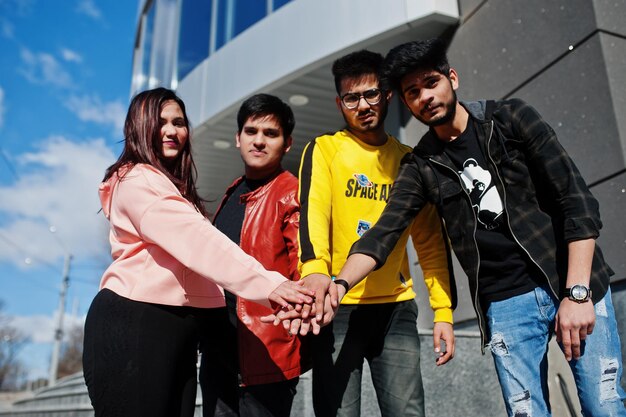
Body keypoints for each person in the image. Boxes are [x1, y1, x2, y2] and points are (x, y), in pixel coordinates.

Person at [335, 39, 626, 416]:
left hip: (570, 279)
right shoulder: (421, 164)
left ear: (451, 78)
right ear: (405, 103)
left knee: (603, 408)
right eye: (413, 92)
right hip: (505, 303)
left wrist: (578, 292)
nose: (425, 96)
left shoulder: (511, 119)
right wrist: (338, 284)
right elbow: (384, 232)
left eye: (431, 82)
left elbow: (577, 202)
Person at [82, 87, 313, 417]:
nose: (172, 131)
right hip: (136, 322)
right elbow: (198, 241)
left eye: (179, 122)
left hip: (180, 331)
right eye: (160, 122)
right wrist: (270, 285)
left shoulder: (174, 188)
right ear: (138, 126)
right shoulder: (137, 179)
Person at [297, 50, 455, 417]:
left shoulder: (410, 161)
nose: (363, 105)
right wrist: (315, 272)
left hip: (395, 310)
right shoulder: (324, 149)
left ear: (386, 94)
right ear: (340, 103)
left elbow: (431, 242)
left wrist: (443, 311)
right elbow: (313, 215)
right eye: (352, 98)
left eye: (371, 93)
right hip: (336, 308)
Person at [200, 94, 308, 417]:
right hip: (219, 356)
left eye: (270, 134)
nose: (259, 141)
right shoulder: (233, 192)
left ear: (287, 143)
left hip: (268, 358)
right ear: (237, 138)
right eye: (251, 132)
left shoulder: (292, 192)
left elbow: (304, 268)